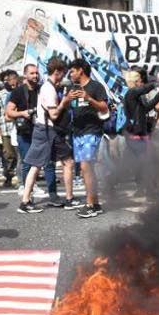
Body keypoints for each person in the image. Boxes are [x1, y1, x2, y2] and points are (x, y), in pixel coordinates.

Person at [18, 58, 77, 213]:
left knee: (64, 162)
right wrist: (64, 102)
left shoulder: (49, 87)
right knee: (39, 165)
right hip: (46, 131)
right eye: (62, 74)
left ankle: (68, 198)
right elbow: (54, 114)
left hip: (48, 130)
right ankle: (25, 202)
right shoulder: (49, 89)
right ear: (56, 72)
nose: (63, 77)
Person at [6, 63, 59, 205]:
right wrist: (22, 113)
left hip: (42, 130)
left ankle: (53, 194)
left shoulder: (42, 89)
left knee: (48, 163)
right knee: (28, 163)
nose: (35, 76)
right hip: (25, 132)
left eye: (37, 73)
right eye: (32, 73)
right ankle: (28, 194)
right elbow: (8, 113)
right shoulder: (18, 92)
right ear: (25, 75)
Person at [66, 59, 109, 218]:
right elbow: (65, 107)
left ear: (80, 71)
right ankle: (96, 203)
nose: (70, 74)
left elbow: (104, 107)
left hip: (92, 130)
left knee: (86, 167)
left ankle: (90, 204)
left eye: (72, 71)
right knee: (86, 169)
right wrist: (66, 99)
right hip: (77, 131)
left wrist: (88, 98)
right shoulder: (72, 87)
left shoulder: (96, 87)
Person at [120, 67, 159, 195]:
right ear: (134, 82)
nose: (141, 83)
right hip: (135, 135)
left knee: (142, 163)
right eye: (139, 81)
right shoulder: (131, 93)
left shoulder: (136, 96)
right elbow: (144, 89)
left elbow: (146, 108)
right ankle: (150, 192)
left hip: (140, 134)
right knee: (146, 163)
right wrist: (155, 83)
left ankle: (146, 190)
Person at [0, 70, 19, 189]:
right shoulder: (0, 95)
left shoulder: (20, 91)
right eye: (10, 80)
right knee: (9, 154)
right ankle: (8, 174)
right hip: (5, 129)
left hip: (19, 127)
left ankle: (20, 176)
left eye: (14, 79)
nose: (12, 82)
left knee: (20, 154)